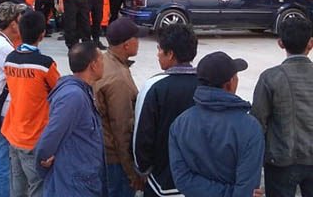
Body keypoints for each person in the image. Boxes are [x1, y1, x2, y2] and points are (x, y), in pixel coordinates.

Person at [169, 52, 265, 197]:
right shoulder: (249, 127)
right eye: (236, 76)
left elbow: (182, 179)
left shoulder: (180, 123)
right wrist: (231, 193)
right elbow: (247, 187)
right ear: (229, 84)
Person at [133, 24, 200, 197]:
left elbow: (142, 136)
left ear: (170, 54)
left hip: (161, 182)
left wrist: (142, 170)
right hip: (199, 181)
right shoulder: (206, 84)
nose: (157, 55)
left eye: (159, 49)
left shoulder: (154, 87)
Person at [251, 17, 313, 196]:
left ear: (280, 43)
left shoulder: (270, 78)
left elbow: (257, 122)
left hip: (280, 162)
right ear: (310, 43)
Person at [35, 42, 106, 196]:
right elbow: (49, 140)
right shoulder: (73, 96)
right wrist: (42, 165)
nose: (104, 64)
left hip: (83, 179)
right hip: (74, 185)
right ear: (93, 65)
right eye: (101, 60)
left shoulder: (83, 91)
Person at [1, 11, 60, 197]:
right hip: (34, 137)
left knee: (17, 188)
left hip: (13, 132)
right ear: (42, 34)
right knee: (38, 187)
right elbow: (59, 92)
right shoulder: (45, 65)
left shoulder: (9, 59)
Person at [94, 18, 148, 196]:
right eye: (136, 39)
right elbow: (121, 129)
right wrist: (131, 173)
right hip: (114, 160)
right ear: (126, 45)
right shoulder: (119, 79)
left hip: (101, 152)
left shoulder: (104, 61)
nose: (139, 42)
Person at [0, 2, 27, 197]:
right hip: (6, 112)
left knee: (7, 160)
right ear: (13, 24)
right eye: (20, 18)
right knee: (7, 163)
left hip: (4, 109)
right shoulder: (4, 48)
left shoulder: (0, 41)